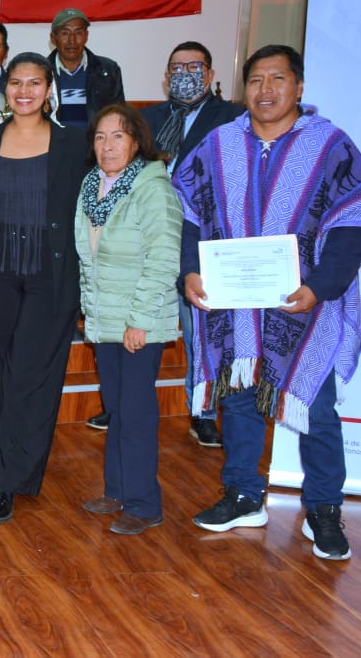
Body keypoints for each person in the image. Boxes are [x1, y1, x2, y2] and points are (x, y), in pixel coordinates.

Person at [177, 45, 361, 561]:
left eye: (277, 79)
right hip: (233, 305)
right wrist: (190, 270)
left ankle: (323, 508)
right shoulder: (217, 144)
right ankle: (244, 495)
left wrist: (320, 286)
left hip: (305, 304)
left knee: (315, 405)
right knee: (237, 400)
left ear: (299, 87)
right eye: (255, 80)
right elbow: (190, 216)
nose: (265, 90)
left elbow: (355, 225)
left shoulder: (330, 146)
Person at [0, 52, 88, 523]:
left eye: (34, 83)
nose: (24, 91)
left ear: (49, 89)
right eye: (16, 82)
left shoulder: (74, 143)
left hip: (50, 276)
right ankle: (7, 461)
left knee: (30, 375)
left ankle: (6, 483)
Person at [74, 103, 182, 535]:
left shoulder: (153, 188)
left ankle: (144, 503)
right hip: (106, 320)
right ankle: (117, 490)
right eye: (100, 137)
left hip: (140, 321)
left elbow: (164, 259)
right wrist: (90, 311)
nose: (108, 145)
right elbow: (89, 259)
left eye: (118, 136)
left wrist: (138, 321)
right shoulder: (91, 187)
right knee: (117, 409)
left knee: (136, 414)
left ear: (137, 141)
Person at [141, 41, 244, 449]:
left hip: (202, 239)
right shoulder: (147, 119)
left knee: (201, 333)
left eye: (194, 67)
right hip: (151, 237)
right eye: (177, 68)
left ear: (211, 74)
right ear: (166, 76)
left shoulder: (233, 118)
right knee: (140, 324)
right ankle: (124, 403)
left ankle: (203, 411)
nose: (184, 74)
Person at [47, 8, 125, 127]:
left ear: (86, 36)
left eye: (78, 33)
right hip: (54, 138)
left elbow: (119, 116)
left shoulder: (108, 70)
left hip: (95, 138)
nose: (72, 40)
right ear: (53, 38)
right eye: (65, 33)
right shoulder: (42, 72)